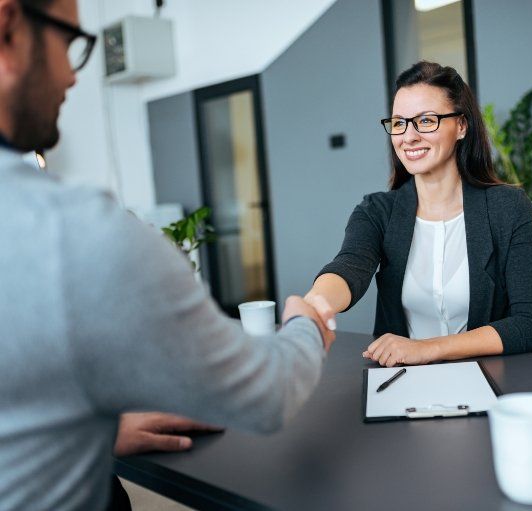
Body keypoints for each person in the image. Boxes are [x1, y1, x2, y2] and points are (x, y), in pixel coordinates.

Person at [0, 1, 336, 509]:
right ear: (8, 26)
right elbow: (268, 392)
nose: (72, 76)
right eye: (69, 42)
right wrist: (305, 322)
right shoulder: (74, 231)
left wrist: (92, 428)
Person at [305, 61, 532, 368]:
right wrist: (316, 303)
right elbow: (350, 265)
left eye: (426, 120)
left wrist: (430, 348)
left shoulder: (509, 207)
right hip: (401, 385)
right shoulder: (376, 212)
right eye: (399, 123)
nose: (408, 137)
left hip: (492, 383)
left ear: (461, 125)